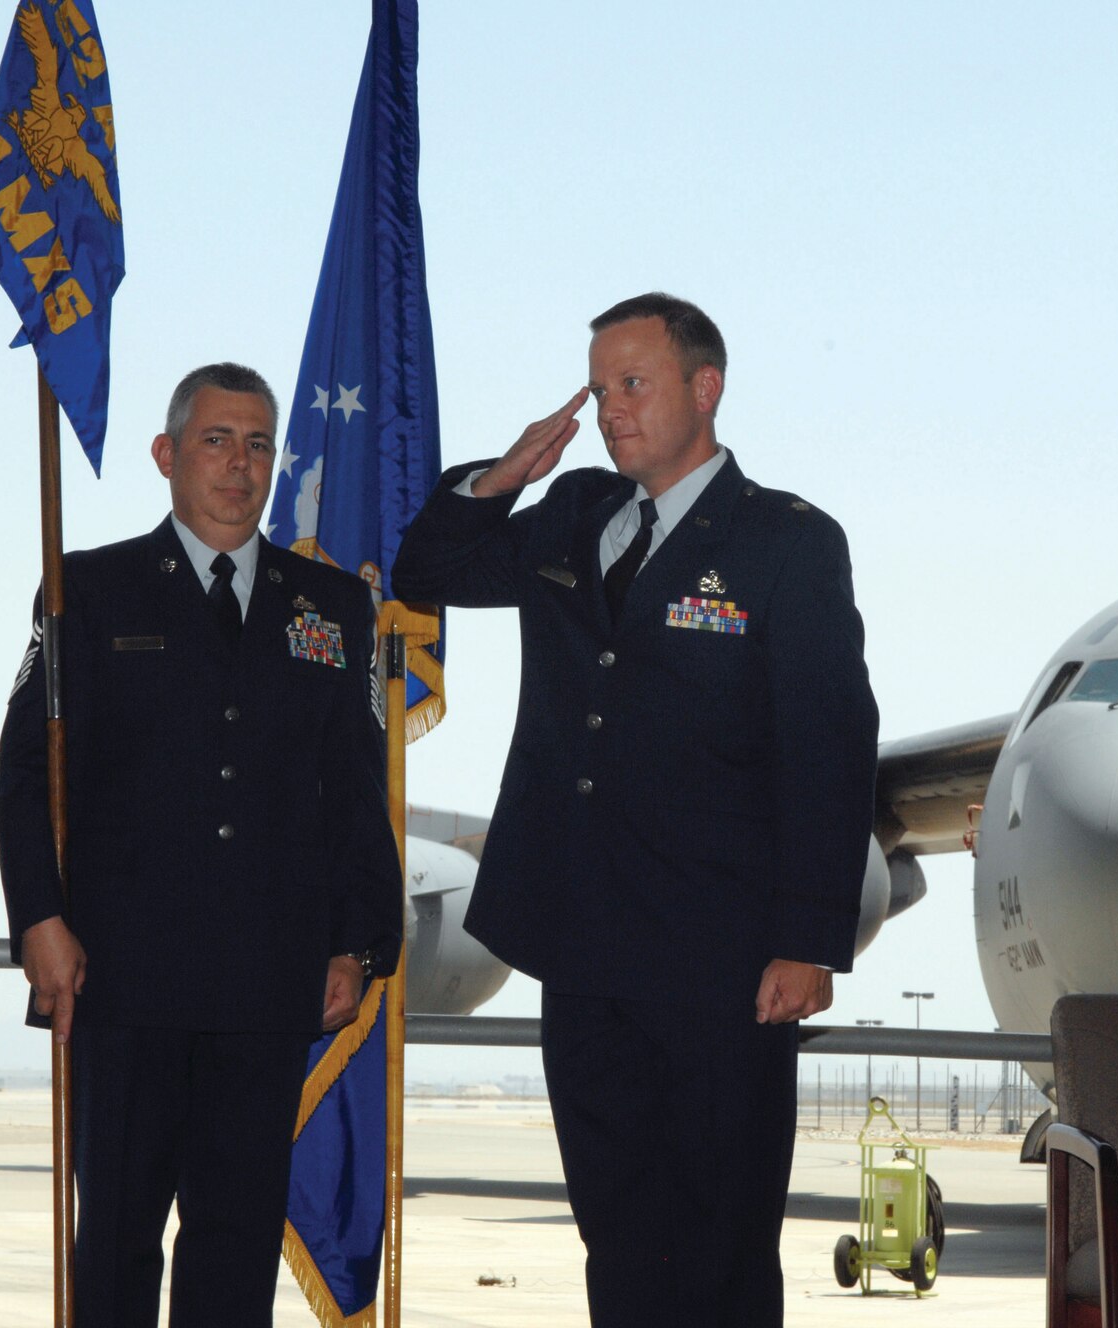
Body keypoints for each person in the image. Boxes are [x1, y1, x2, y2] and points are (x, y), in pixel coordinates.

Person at [391, 293, 878, 1326]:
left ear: (705, 388)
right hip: (581, 946)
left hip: (721, 957)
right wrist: (496, 480)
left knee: (721, 1239)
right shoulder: (570, 513)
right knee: (615, 1233)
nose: (610, 410)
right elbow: (424, 568)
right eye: (599, 386)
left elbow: (827, 746)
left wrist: (807, 937)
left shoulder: (785, 542)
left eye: (632, 383)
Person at [0, 363, 401, 1328]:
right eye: (217, 440)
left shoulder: (331, 611)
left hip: (267, 984)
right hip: (122, 983)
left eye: (258, 443)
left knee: (235, 1245)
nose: (239, 463)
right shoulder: (86, 590)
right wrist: (40, 921)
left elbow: (353, 794)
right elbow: (24, 777)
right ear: (168, 456)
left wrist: (358, 940)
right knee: (119, 1245)